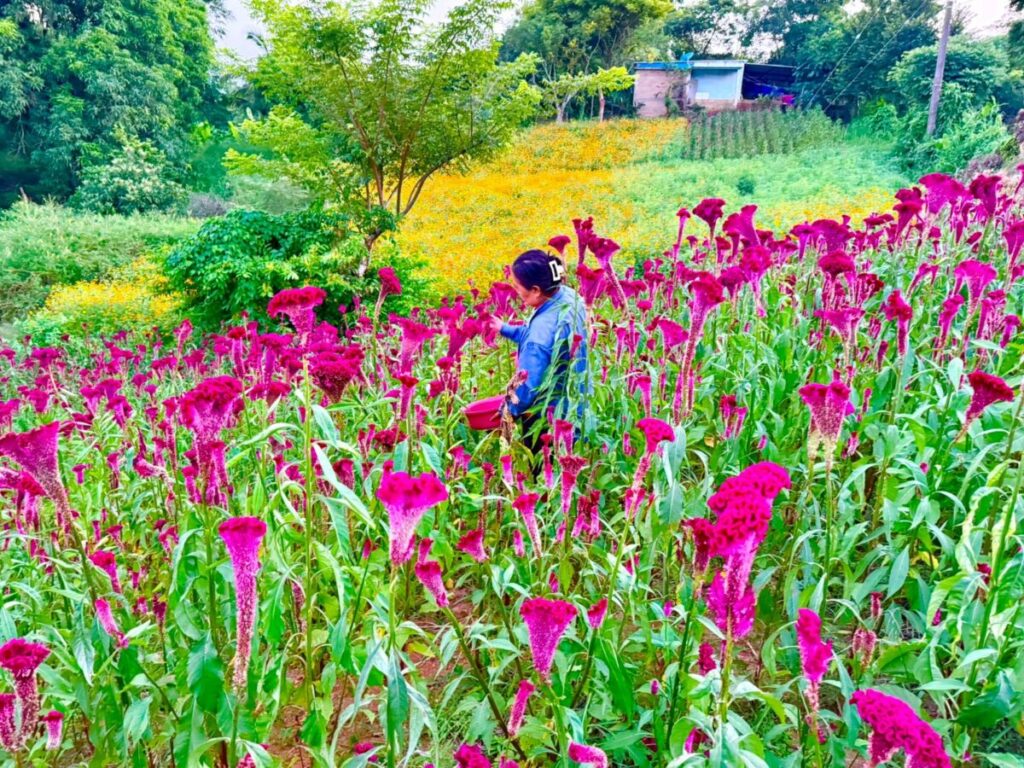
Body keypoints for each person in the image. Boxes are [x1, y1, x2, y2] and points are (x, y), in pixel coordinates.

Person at [488, 249, 590, 452]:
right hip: (578, 405)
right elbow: (544, 337)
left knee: (545, 467)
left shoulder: (539, 334)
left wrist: (506, 412)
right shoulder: (568, 296)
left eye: (518, 287)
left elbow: (527, 387)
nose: (517, 292)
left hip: (548, 419)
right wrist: (504, 328)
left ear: (535, 290)